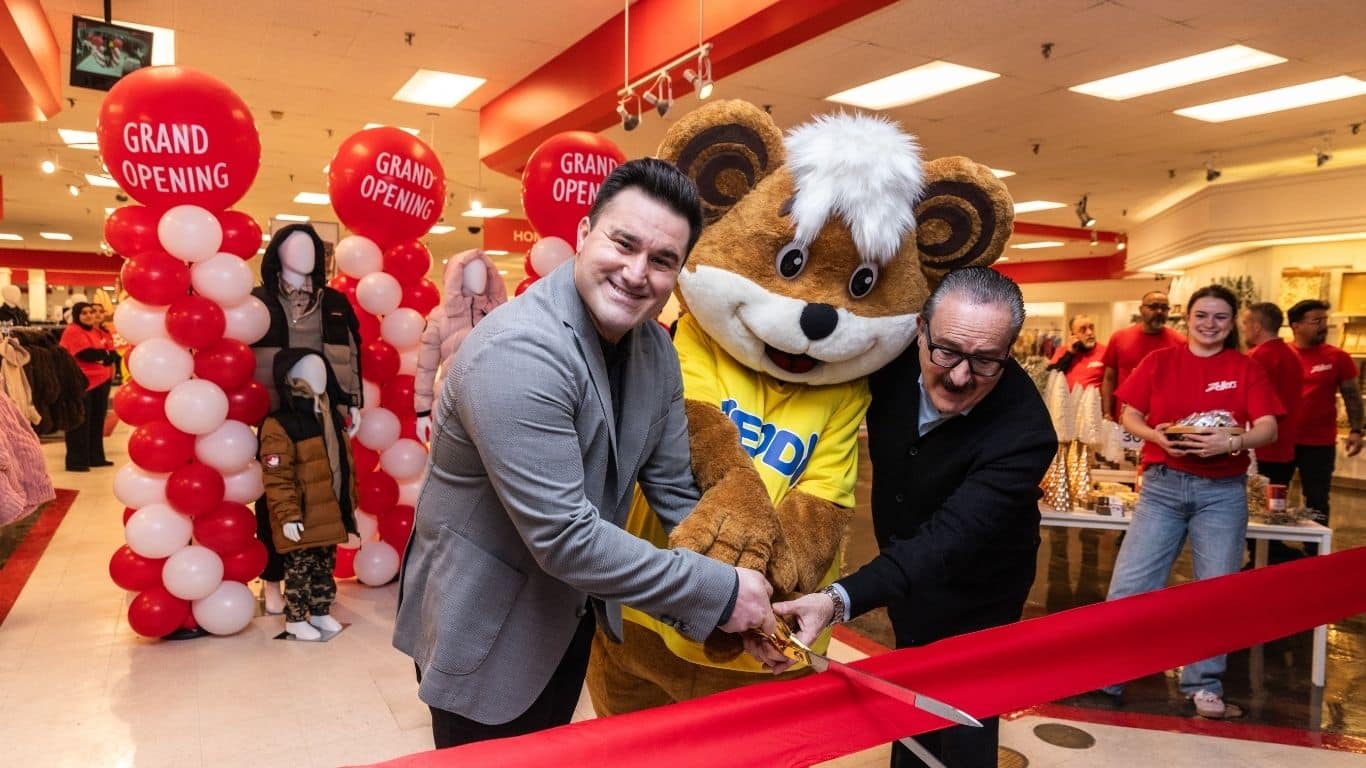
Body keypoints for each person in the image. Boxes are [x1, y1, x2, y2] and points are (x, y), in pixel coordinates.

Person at [392, 158, 775, 749]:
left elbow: (674, 488)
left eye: (662, 260)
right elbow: (565, 537)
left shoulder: (654, 351)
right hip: (484, 625)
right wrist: (720, 593)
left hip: (569, 613)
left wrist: (749, 594)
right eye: (624, 243)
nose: (636, 273)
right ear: (583, 233)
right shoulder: (516, 351)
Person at [756, 268, 1057, 768]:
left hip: (982, 590)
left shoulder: (1026, 433)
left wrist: (837, 600)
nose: (959, 376)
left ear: (1009, 352)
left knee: (966, 716)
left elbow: (947, 541)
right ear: (919, 329)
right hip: (902, 568)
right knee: (911, 693)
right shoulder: (886, 360)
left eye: (985, 361)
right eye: (946, 351)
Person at [1102, 284, 1281, 719]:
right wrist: (1156, 436)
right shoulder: (1160, 361)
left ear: (1232, 322)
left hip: (1222, 493)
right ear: (1188, 317)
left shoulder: (1245, 368)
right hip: (1162, 487)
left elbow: (1269, 427)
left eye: (1220, 317)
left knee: (1215, 592)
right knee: (1131, 586)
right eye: (1202, 315)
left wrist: (1231, 441)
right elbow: (1129, 414)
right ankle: (1106, 675)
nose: (1210, 324)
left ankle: (1204, 685)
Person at [250, 223, 364, 615]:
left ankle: (314, 581)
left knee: (323, 491)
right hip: (271, 411)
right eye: (295, 247)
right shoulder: (259, 301)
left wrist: (352, 401)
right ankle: (272, 578)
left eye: (312, 248)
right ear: (277, 254)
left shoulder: (333, 302)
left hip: (321, 410)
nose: (306, 254)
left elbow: (351, 353)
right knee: (274, 495)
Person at [258, 349, 358, 641]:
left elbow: (344, 466)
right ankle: (295, 617)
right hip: (303, 511)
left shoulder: (330, 417)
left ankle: (320, 610)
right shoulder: (280, 424)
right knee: (300, 568)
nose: (320, 376)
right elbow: (277, 476)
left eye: (322, 368)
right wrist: (288, 514)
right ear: (290, 378)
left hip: (329, 507)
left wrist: (348, 502)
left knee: (325, 564)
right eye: (309, 370)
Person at [413, 248, 507, 444]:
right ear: (457, 276)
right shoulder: (440, 317)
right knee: (452, 459)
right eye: (471, 272)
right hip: (451, 407)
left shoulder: (500, 315)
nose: (479, 277)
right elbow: (426, 368)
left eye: (483, 272)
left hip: (493, 407)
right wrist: (422, 411)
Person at [1288, 299, 1363, 541]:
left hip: (1319, 442)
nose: (1323, 326)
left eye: (1325, 320)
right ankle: (1272, 550)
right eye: (1316, 320)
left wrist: (1356, 430)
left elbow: (1352, 395)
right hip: (1282, 441)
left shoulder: (1338, 357)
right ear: (1296, 325)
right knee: (1273, 495)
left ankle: (1314, 550)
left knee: (1317, 498)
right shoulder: (1282, 355)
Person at [1240, 302, 1304, 561]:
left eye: (1246, 323)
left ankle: (1265, 558)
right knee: (1273, 506)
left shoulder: (1258, 357)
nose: (1244, 328)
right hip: (1284, 444)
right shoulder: (1292, 355)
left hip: (1261, 446)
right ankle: (1267, 557)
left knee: (1254, 508)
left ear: (1257, 326)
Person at [1100, 290, 1184, 420]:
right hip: (1124, 415)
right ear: (1141, 309)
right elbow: (1109, 378)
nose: (1159, 312)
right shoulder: (1120, 338)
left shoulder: (1180, 342)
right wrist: (1107, 413)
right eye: (1153, 307)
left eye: (1164, 308)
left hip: (1162, 419)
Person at [58, 302, 117, 472]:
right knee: (80, 422)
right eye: (84, 313)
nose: (89, 315)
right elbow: (87, 354)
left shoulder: (97, 331)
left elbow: (112, 355)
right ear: (77, 315)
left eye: (90, 312)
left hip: (101, 381)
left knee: (97, 421)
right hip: (82, 383)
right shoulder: (73, 331)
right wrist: (103, 355)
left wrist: (103, 355)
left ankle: (95, 457)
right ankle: (77, 461)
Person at [1048, 313, 1106, 389]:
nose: (1090, 332)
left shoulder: (1105, 351)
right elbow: (1051, 377)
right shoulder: (1062, 351)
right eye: (1083, 330)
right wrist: (1069, 354)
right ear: (1073, 334)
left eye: (1091, 328)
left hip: (1094, 396)